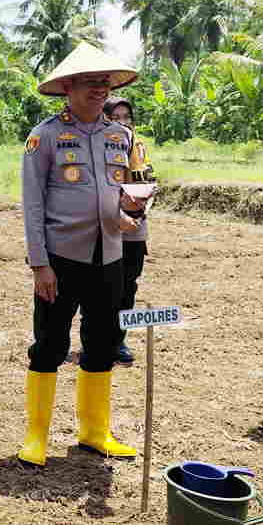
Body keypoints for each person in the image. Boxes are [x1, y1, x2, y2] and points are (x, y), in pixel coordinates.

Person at [17, 43, 145, 467]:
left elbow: (125, 193)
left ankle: (94, 431)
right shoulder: (46, 136)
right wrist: (39, 263)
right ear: (67, 87)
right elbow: (33, 203)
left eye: (104, 83)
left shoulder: (121, 136)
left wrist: (129, 216)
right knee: (50, 343)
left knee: (103, 342)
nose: (99, 90)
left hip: (110, 256)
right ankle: (37, 435)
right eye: (90, 83)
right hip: (60, 257)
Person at [102, 96, 155, 365]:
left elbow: (148, 181)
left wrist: (141, 205)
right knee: (102, 288)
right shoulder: (96, 146)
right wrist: (117, 210)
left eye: (126, 117)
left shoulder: (138, 147)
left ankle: (118, 341)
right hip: (105, 227)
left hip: (134, 229)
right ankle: (99, 341)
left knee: (127, 287)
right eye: (115, 117)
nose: (122, 123)